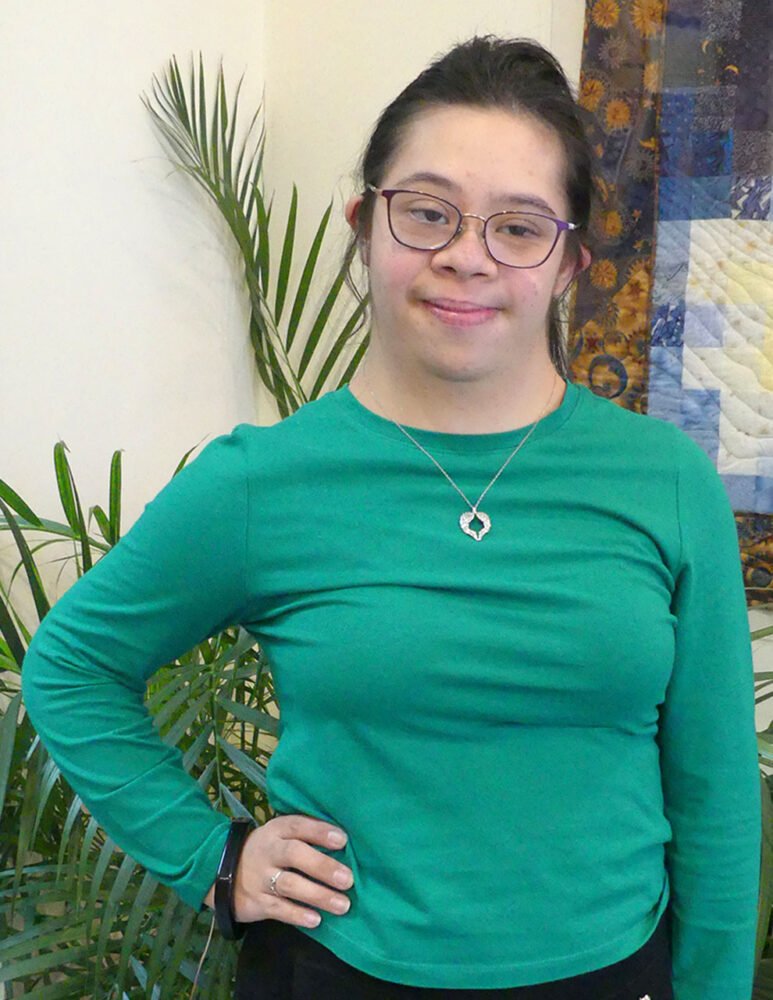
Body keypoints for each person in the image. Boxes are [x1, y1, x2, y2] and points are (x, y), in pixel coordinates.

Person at [22, 35, 760, 1000]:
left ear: (569, 262)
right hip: (338, 972)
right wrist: (211, 857)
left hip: (616, 975)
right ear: (363, 222)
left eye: (518, 227)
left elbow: (714, 793)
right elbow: (71, 666)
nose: (465, 257)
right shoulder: (262, 482)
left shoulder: (662, 478)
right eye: (426, 212)